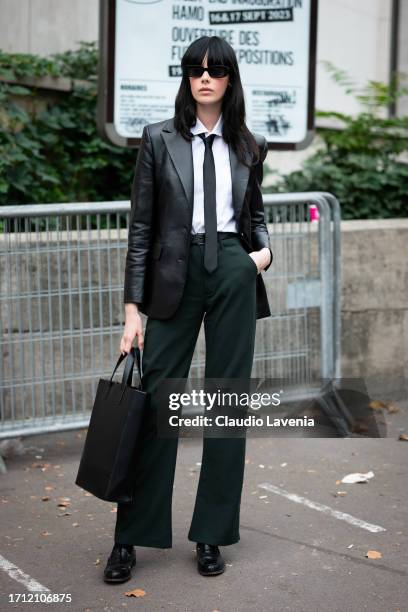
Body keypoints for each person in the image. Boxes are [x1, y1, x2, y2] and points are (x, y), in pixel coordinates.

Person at [103, 35, 273, 583]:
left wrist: (260, 256)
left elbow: (256, 215)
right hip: (172, 275)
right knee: (155, 404)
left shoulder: (249, 143)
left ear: (229, 79)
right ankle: (131, 537)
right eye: (196, 69)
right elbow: (140, 231)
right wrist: (133, 311)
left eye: (215, 70)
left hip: (231, 270)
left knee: (228, 405)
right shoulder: (159, 140)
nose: (205, 77)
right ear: (187, 76)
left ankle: (212, 534)